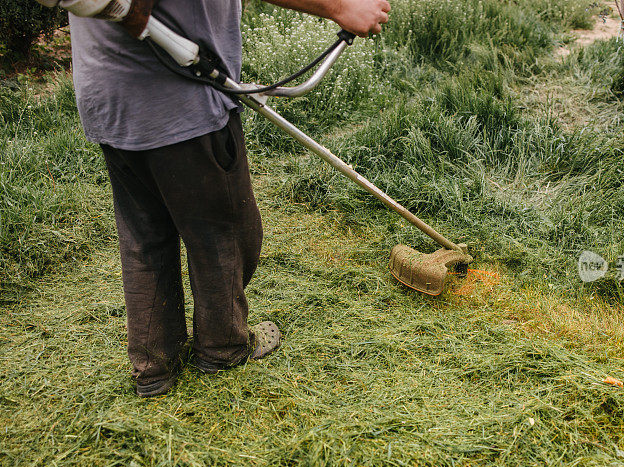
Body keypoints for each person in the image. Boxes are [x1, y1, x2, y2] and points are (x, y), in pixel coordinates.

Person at [42, 0, 391, 397]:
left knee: (144, 238)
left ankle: (154, 367)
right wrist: (342, 7)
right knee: (224, 234)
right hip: (179, 101)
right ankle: (222, 349)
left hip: (110, 100)